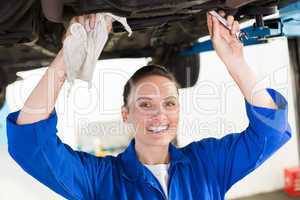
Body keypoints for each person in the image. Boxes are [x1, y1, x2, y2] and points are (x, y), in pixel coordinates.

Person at [6, 11, 291, 200]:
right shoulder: (100, 180)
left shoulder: (207, 165)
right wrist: (67, 59)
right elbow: (30, 143)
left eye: (169, 103)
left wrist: (235, 61)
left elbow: (272, 132)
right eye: (145, 104)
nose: (160, 114)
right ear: (125, 114)